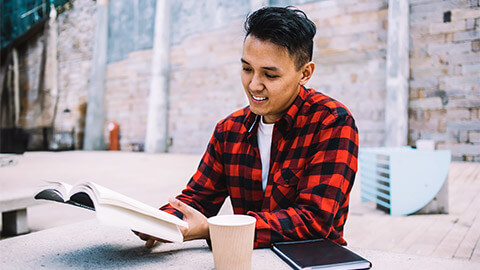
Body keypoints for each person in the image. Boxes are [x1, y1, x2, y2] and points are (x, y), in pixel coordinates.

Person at [135, 6, 358, 249]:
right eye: (247, 69)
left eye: (270, 75)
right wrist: (160, 221)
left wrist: (214, 229)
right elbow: (197, 200)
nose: (254, 85)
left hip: (312, 262)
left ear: (305, 73)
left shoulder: (331, 122)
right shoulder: (229, 131)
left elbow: (314, 221)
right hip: (246, 259)